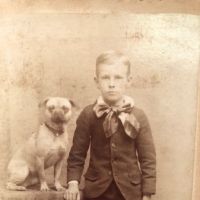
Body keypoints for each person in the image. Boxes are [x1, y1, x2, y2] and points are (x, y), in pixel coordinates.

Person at [64, 50, 156, 200]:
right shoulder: (89, 114)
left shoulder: (138, 116)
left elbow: (148, 159)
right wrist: (73, 183)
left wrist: (147, 193)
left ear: (128, 80)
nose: (112, 84)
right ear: (97, 81)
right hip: (96, 191)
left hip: (130, 193)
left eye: (118, 78)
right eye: (106, 78)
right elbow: (77, 155)